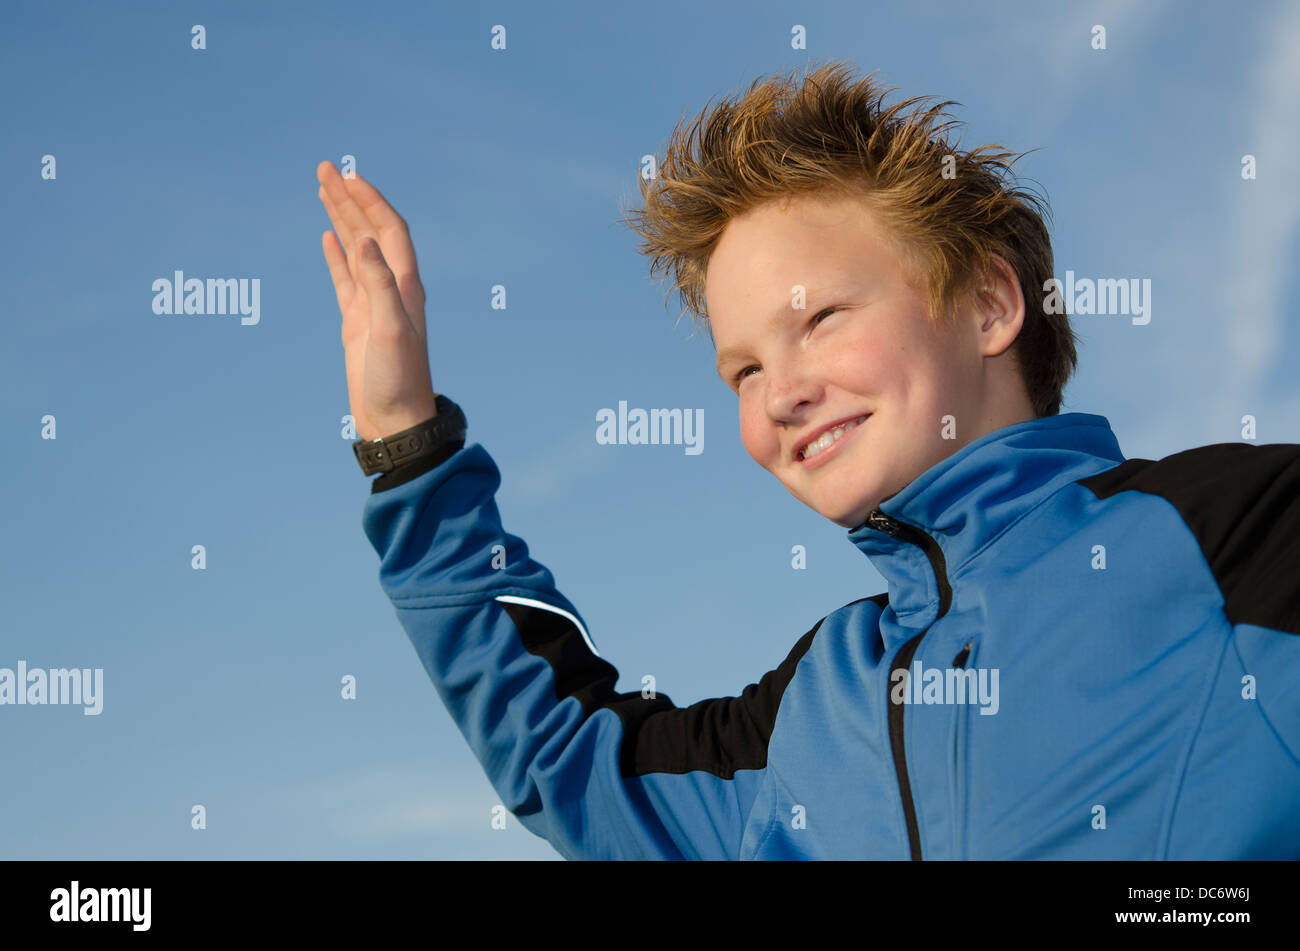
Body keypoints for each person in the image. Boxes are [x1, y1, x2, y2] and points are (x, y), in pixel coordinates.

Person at [317, 61, 1300, 859]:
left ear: (991, 305)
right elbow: (567, 753)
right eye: (740, 370)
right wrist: (408, 444)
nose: (778, 393)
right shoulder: (810, 711)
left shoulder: (1236, 539)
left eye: (819, 320)